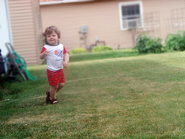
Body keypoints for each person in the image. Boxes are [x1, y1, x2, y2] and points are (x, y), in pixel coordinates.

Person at [40, 26, 69, 104]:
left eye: (53, 35)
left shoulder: (61, 46)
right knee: (55, 86)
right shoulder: (46, 47)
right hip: (51, 70)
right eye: (49, 36)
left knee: (62, 84)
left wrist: (66, 61)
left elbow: (66, 54)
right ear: (46, 38)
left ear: (58, 37)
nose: (51, 37)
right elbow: (40, 57)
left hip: (60, 69)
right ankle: (52, 99)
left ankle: (50, 93)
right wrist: (43, 54)